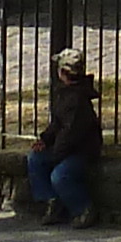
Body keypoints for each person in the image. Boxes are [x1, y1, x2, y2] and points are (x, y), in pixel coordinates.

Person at [27, 49, 102, 226]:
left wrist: (55, 156)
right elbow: (57, 123)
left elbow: (70, 134)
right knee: (35, 159)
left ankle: (83, 209)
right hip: (66, 147)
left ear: (63, 73)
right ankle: (52, 201)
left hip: (81, 151)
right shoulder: (64, 93)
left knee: (60, 175)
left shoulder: (76, 100)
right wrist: (45, 139)